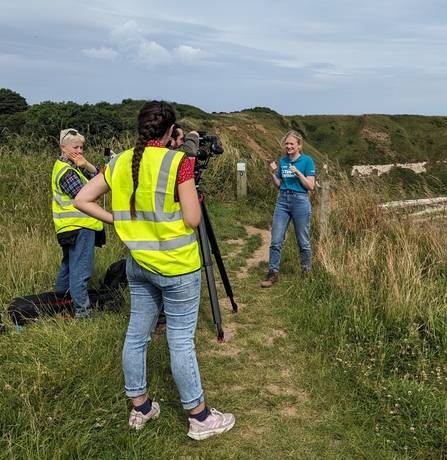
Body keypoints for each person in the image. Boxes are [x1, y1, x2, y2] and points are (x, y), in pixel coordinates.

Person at [74, 100, 235, 440]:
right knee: (180, 342)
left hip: (139, 264)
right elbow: (192, 219)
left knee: (136, 336)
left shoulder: (119, 162)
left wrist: (119, 219)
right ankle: (199, 417)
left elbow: (82, 200)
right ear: (170, 131)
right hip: (178, 267)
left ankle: (140, 407)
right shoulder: (179, 162)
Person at [52, 128, 105, 318]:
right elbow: (89, 194)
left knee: (68, 267)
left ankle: (59, 305)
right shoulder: (67, 172)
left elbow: (100, 176)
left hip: (70, 228)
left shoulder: (73, 168)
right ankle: (82, 312)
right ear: (63, 147)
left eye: (82, 147)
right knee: (80, 271)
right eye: (75, 147)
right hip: (79, 228)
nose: (80, 151)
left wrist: (86, 165)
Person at [261, 130, 315, 288]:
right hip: (283, 200)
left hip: (300, 200)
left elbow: (310, 186)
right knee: (276, 239)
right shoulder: (283, 161)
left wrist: (298, 172)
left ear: (299, 146)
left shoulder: (307, 161)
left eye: (292, 144)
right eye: (287, 144)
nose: (289, 146)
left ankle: (306, 271)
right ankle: (273, 273)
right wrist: (272, 173)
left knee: (303, 241)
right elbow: (279, 184)